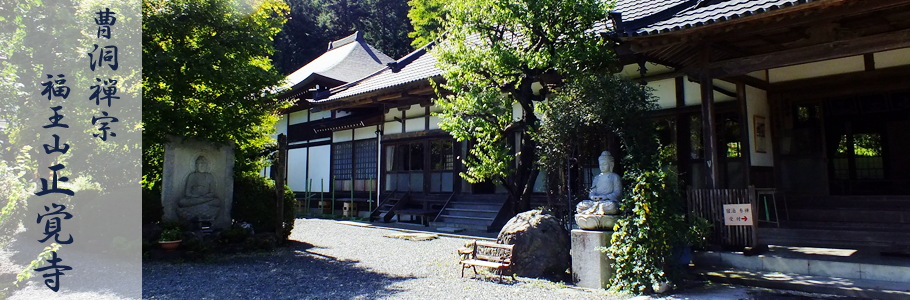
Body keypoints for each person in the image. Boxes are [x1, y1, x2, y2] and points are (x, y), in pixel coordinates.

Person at [576, 151, 622, 215]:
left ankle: (597, 212)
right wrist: (593, 197)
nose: (602, 166)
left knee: (612, 207)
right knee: (580, 206)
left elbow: (618, 193)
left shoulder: (615, 177)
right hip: (595, 202)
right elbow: (592, 192)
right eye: (600, 164)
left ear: (611, 164)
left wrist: (605, 197)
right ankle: (596, 211)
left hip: (608, 202)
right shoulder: (597, 178)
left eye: (604, 164)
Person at [177, 156, 221, 221]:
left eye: (204, 164)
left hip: (206, 198)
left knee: (217, 201)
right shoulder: (192, 176)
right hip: (194, 198)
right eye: (200, 164)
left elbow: (212, 192)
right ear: (196, 165)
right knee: (182, 202)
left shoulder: (209, 176)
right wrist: (196, 196)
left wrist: (205, 196)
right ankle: (203, 205)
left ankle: (200, 205)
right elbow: (187, 193)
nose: (202, 166)